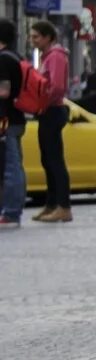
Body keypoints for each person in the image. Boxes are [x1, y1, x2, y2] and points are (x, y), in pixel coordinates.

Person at [29, 21, 72, 223]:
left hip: (52, 110)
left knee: (55, 161)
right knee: (47, 160)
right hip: (48, 111)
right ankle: (51, 204)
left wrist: (41, 104)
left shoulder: (55, 56)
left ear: (48, 37)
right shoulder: (47, 56)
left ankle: (63, 206)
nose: (33, 40)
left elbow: (55, 87)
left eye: (36, 36)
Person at [0, 19, 26, 231]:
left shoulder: (3, 60)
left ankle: (10, 212)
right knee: (14, 165)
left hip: (6, 119)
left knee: (10, 166)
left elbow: (4, 91)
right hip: (16, 117)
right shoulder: (16, 57)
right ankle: (12, 209)